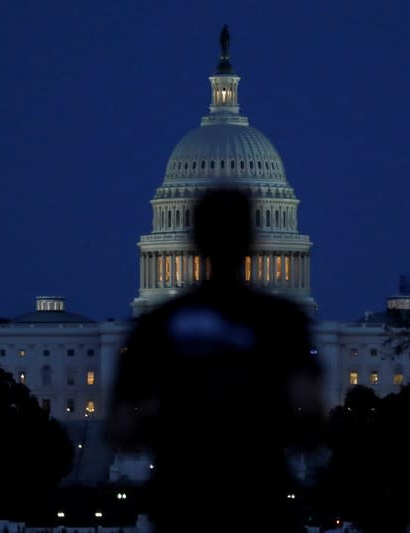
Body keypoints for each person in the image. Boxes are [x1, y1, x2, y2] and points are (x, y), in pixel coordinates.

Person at [106, 185, 326, 533]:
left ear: (193, 238)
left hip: (183, 503)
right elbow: (312, 420)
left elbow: (121, 426)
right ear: (253, 239)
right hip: (261, 500)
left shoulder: (155, 327)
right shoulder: (283, 322)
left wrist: (178, 427)